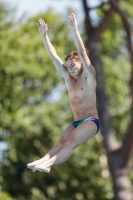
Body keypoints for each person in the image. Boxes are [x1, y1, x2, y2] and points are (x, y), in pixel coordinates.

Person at [27, 13, 100, 173]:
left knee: (71, 141)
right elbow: (54, 57)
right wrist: (44, 36)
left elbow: (82, 53)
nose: (70, 68)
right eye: (68, 66)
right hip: (76, 122)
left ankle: (48, 164)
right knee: (60, 143)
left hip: (91, 121)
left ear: (81, 64)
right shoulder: (67, 76)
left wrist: (75, 30)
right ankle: (43, 161)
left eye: (73, 65)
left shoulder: (89, 76)